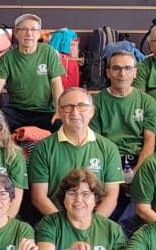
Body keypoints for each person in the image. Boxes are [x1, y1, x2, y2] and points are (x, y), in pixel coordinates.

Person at [28, 88, 122, 218]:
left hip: (95, 222)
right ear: (59, 112)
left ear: (92, 111)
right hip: (55, 222)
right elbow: (39, 197)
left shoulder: (109, 148)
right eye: (68, 107)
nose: (75, 112)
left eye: (82, 106)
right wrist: (64, 226)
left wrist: (92, 225)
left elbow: (111, 196)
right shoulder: (43, 148)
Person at [0, 13, 65, 131]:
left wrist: (59, 109)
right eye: (24, 29)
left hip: (45, 111)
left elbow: (56, 82)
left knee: (62, 124)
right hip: (16, 111)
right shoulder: (7, 58)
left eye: (34, 29)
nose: (29, 34)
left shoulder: (48, 52)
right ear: (16, 33)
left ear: (39, 33)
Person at [92, 51, 156, 178]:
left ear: (135, 73)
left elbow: (149, 142)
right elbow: (96, 142)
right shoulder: (96, 101)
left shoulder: (147, 102)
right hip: (108, 159)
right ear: (108, 72)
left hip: (138, 160)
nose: (122, 74)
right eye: (116, 68)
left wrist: (136, 172)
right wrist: (112, 173)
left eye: (128, 68)